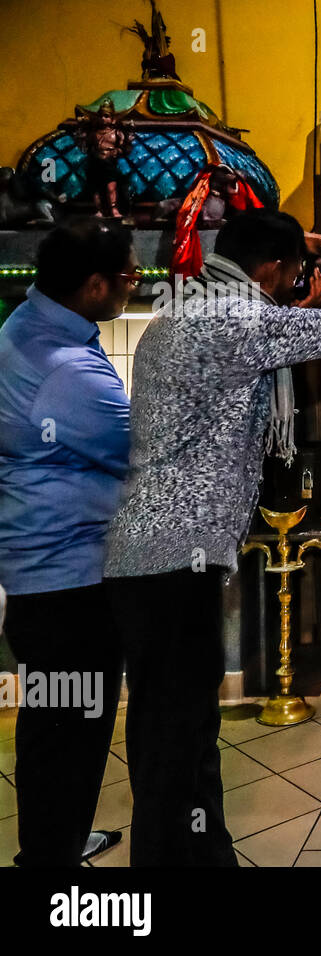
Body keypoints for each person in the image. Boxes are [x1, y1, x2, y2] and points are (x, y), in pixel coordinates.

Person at [103, 210, 321, 866]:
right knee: (175, 739)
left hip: (152, 556)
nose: (295, 285)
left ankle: (205, 856)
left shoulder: (189, 311)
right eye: (293, 273)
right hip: (173, 558)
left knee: (178, 729)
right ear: (271, 266)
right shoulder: (238, 319)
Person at [0, 217, 135, 866]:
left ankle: (54, 842)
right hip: (70, 587)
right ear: (93, 285)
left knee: (51, 730)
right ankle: (49, 865)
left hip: (40, 579)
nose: (134, 288)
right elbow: (145, 454)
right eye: (129, 277)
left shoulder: (26, 329)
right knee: (70, 736)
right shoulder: (67, 373)